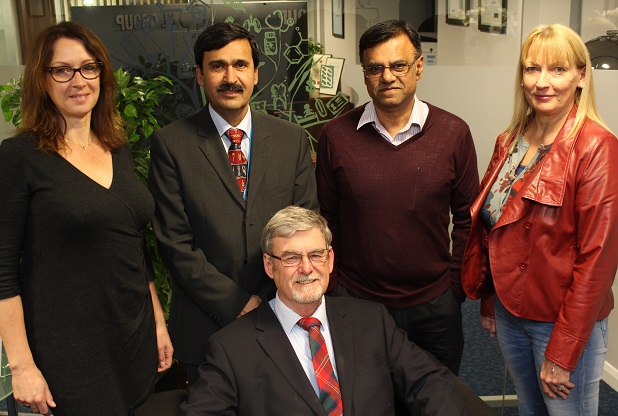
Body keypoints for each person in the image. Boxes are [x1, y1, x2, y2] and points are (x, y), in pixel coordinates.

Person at [0, 22, 172, 416]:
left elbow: (133, 243)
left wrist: (158, 323)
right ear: (41, 80)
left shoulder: (118, 146)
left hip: (132, 336)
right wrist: (22, 367)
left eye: (88, 67)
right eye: (62, 69)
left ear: (102, 74)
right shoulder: (19, 157)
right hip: (69, 352)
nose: (78, 80)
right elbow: (3, 272)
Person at [180, 206, 496, 416]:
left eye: (316, 255)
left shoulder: (371, 320)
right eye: (290, 258)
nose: (306, 268)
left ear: (330, 260)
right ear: (269, 266)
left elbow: (430, 382)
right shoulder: (231, 347)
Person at [148, 22, 318, 385]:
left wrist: (270, 299)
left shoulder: (291, 141)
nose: (230, 77)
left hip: (281, 315)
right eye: (217, 66)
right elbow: (174, 243)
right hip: (204, 325)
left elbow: (305, 229)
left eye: (240, 65)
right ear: (199, 74)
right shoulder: (170, 145)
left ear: (256, 74)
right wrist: (237, 302)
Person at [462, 23, 618, 416]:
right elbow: (494, 227)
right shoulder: (510, 139)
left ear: (582, 76)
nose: (542, 82)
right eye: (532, 69)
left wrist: (564, 350)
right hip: (511, 311)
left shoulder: (596, 146)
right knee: (531, 409)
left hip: (560, 321)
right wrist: (488, 295)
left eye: (558, 69)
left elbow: (598, 261)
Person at [316, 19, 478, 376]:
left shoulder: (454, 133)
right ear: (364, 74)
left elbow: (468, 218)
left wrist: (454, 288)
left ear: (418, 67)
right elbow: (327, 218)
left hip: (434, 304)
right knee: (366, 399)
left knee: (436, 399)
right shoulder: (336, 136)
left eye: (398, 65)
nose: (387, 76)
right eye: (375, 68)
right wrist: (336, 285)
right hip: (357, 300)